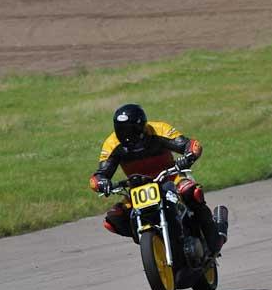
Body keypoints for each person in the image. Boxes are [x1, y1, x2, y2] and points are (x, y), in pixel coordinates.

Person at [89, 104, 227, 254]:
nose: (127, 135)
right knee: (114, 219)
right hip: (139, 188)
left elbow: (191, 145)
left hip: (170, 178)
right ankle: (153, 242)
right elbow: (100, 174)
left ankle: (215, 239)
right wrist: (101, 182)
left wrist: (188, 156)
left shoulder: (158, 129)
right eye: (122, 130)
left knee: (191, 192)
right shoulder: (112, 143)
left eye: (131, 130)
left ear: (142, 126)